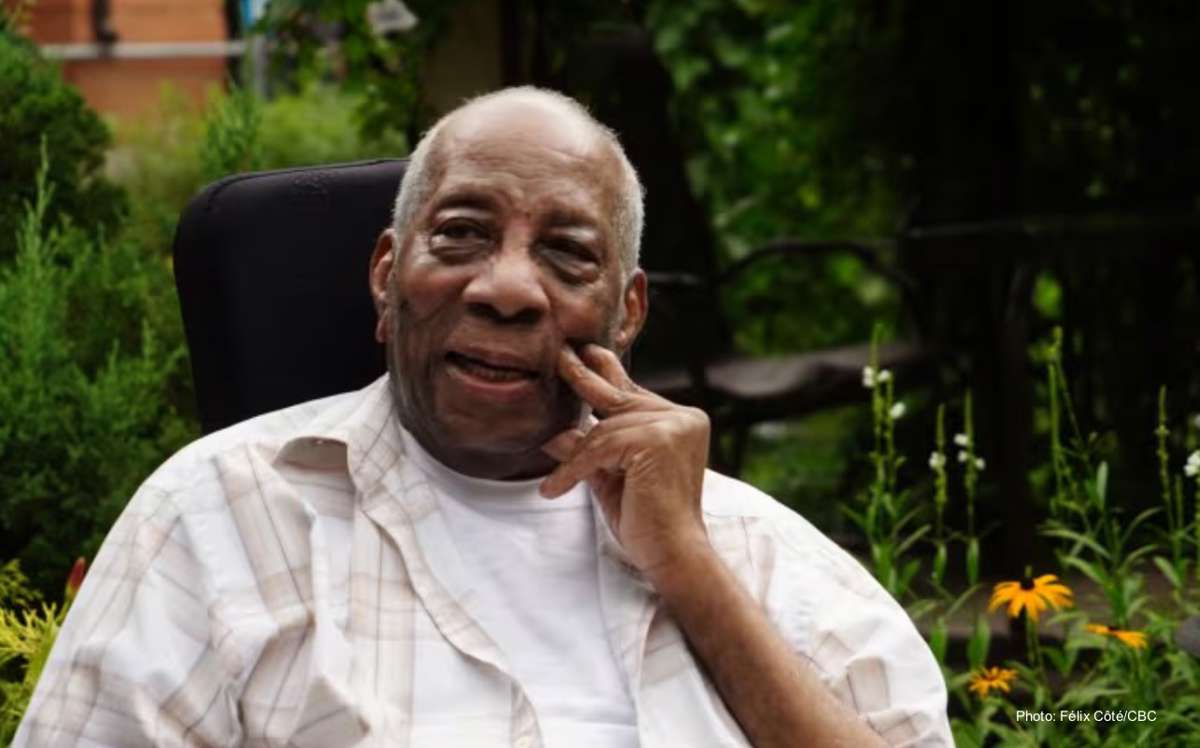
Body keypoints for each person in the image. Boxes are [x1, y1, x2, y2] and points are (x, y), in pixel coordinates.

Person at [15, 87, 951, 747]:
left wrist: (690, 569)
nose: (507, 289)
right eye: (461, 234)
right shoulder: (218, 516)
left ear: (626, 315)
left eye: (567, 254)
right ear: (388, 277)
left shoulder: (753, 550)